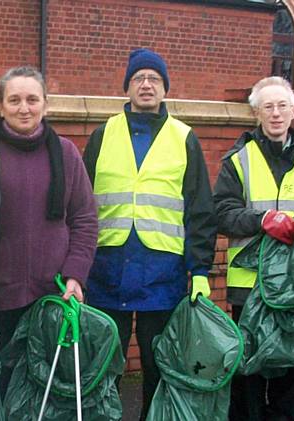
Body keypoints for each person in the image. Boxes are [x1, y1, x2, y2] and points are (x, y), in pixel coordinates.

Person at [83, 48, 217, 419]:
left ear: (164, 88)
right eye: (138, 78)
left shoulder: (184, 138)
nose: (146, 85)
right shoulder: (101, 135)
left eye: (154, 79)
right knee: (104, 365)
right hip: (106, 270)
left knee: (159, 367)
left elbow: (200, 211)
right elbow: (79, 207)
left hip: (163, 272)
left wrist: (201, 270)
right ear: (127, 87)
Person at [213, 76, 294, 421]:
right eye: (268, 106)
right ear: (257, 113)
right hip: (249, 289)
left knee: (291, 375)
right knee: (247, 377)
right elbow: (221, 214)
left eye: (282, 105)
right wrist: (262, 220)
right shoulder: (238, 160)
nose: (276, 113)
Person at [0, 66, 98, 392]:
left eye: (32, 99)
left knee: (46, 391)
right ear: (0, 105)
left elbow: (84, 219)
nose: (24, 108)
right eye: (14, 100)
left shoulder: (66, 153)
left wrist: (75, 275)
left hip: (53, 294)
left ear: (45, 104)